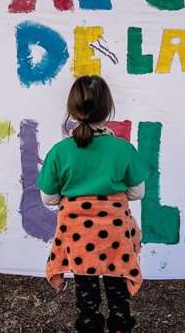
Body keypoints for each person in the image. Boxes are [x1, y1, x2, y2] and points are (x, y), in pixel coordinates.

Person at [37, 75, 149, 333]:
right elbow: (137, 192)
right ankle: (120, 326)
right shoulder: (122, 149)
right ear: (108, 108)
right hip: (115, 234)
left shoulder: (59, 151)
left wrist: (76, 195)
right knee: (117, 282)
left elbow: (48, 198)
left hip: (78, 234)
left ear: (72, 110)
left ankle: (90, 326)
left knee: (85, 288)